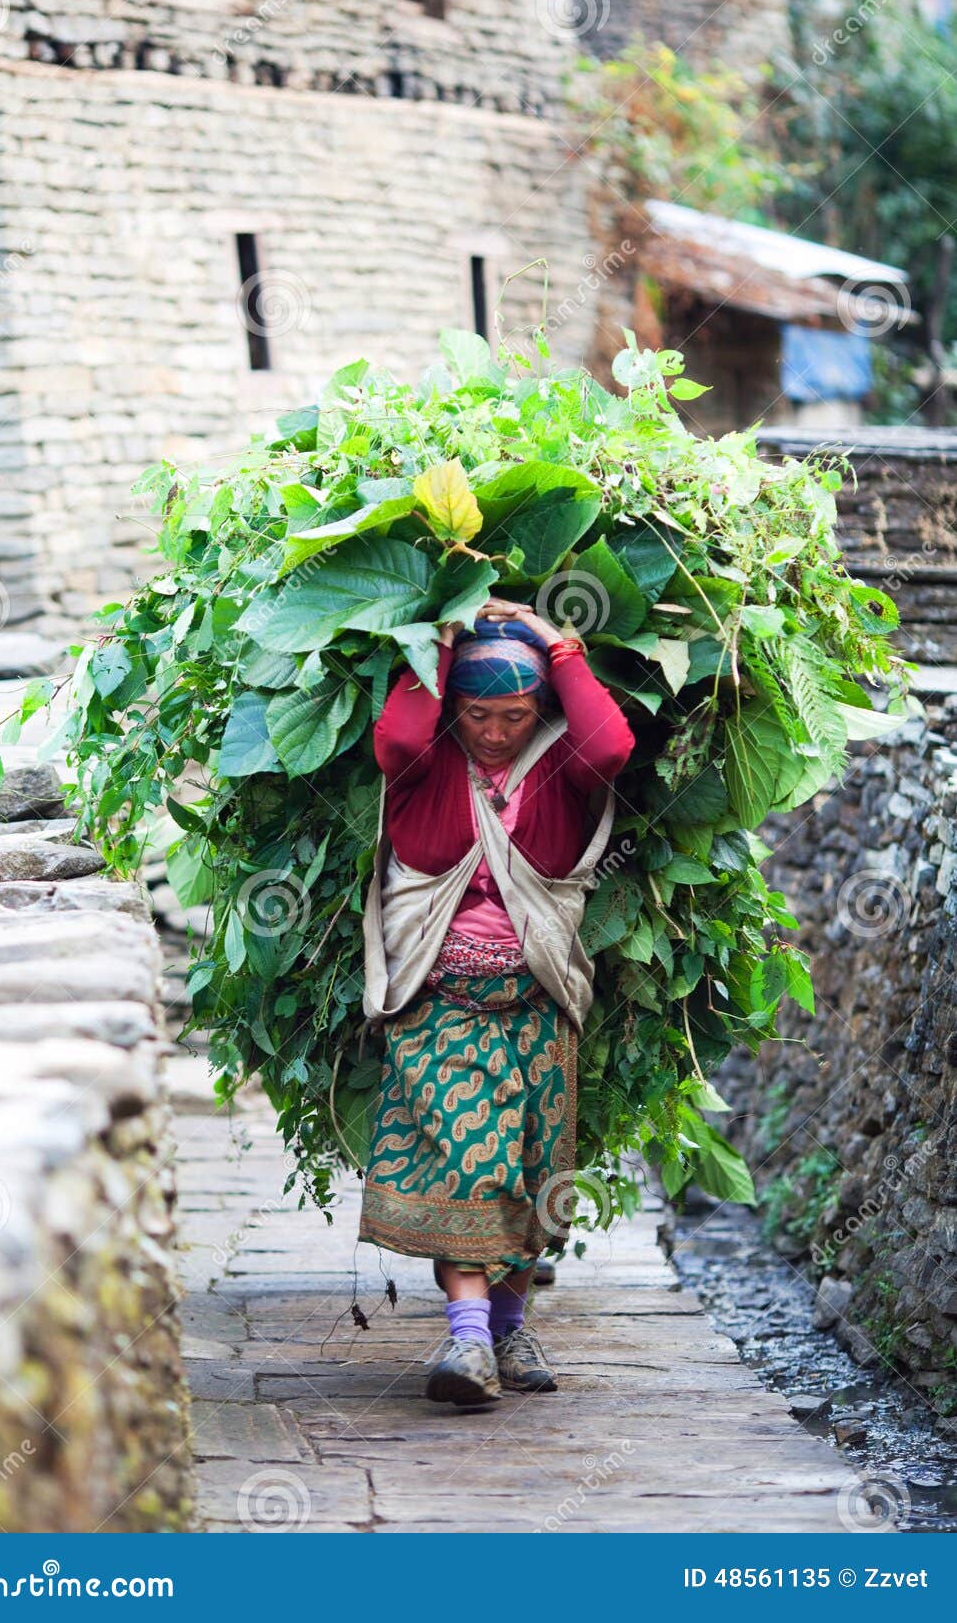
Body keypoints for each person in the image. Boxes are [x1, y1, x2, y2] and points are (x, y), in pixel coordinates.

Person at [358, 597, 635, 1408]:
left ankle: (508, 1330)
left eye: (513, 715)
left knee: (528, 1174)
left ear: (538, 707)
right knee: (469, 1162)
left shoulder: (558, 770)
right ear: (454, 705)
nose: (493, 732)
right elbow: (401, 734)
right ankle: (469, 1342)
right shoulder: (426, 767)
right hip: (437, 1001)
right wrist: (443, 636)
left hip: (537, 1006)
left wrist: (558, 644)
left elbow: (612, 744)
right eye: (477, 714)